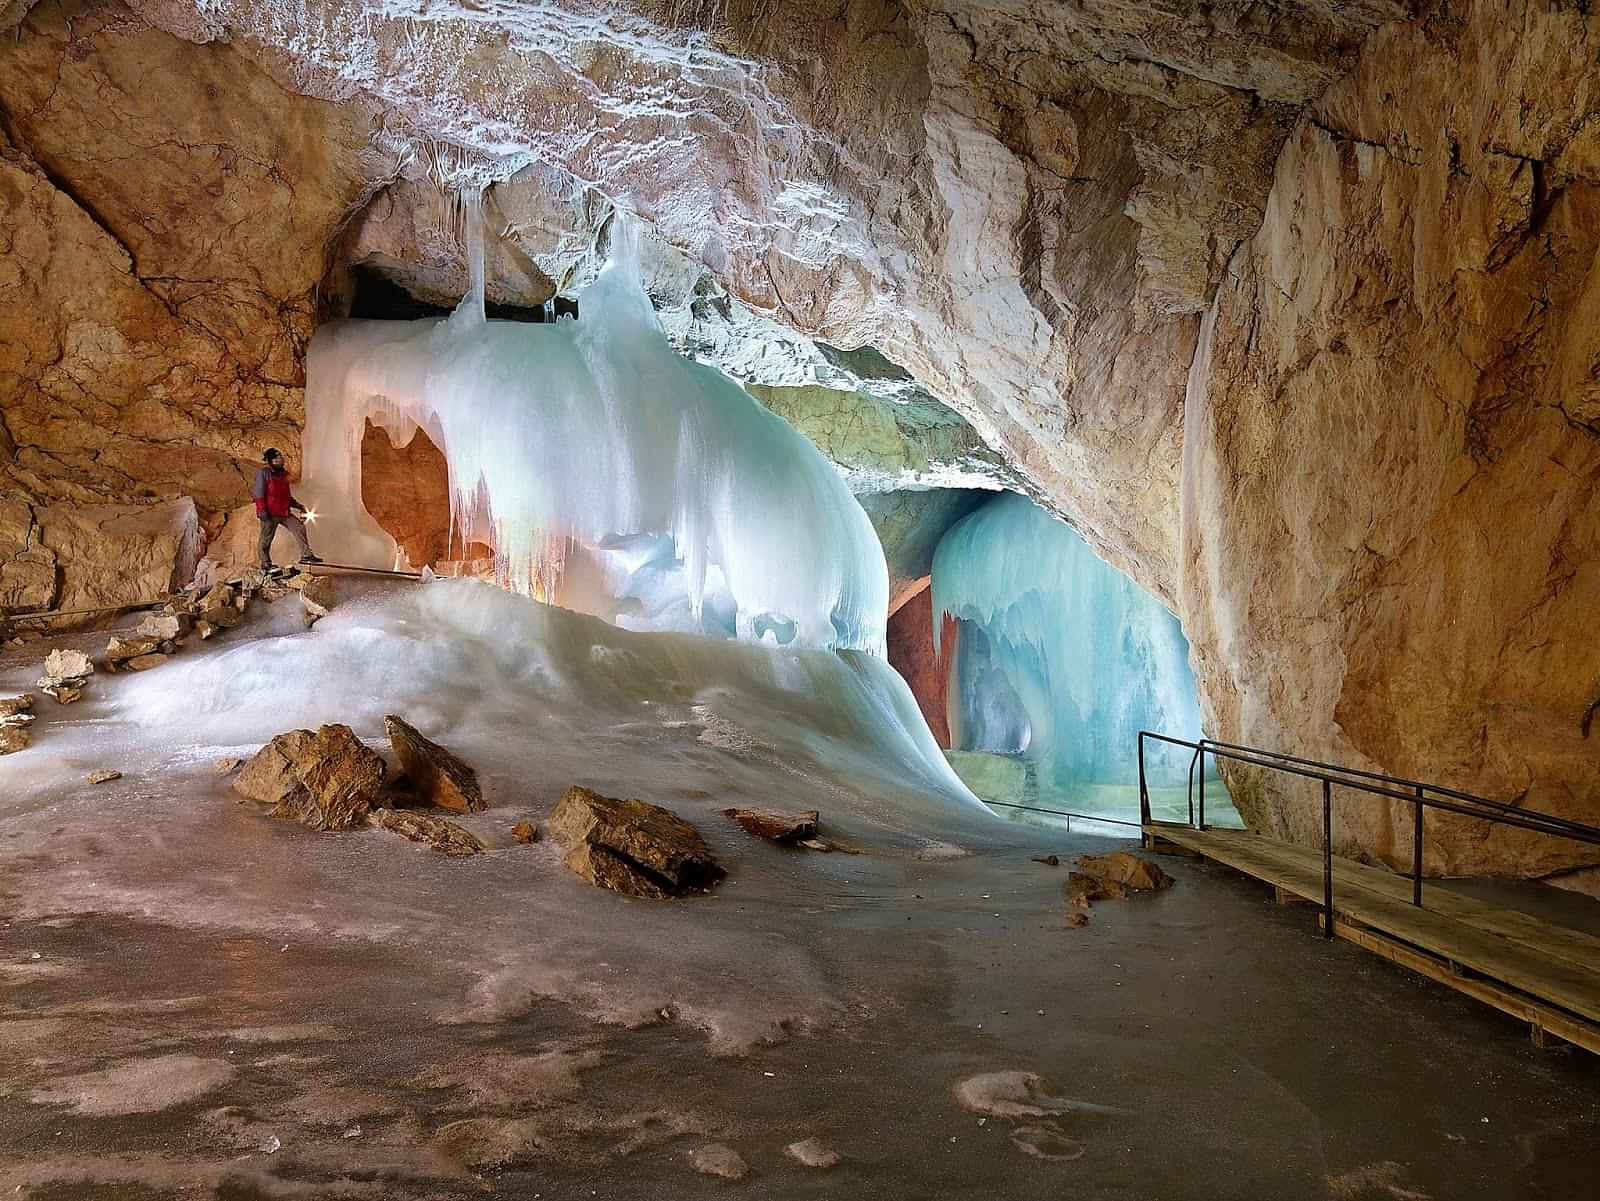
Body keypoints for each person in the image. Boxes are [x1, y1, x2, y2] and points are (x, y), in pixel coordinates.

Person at [253, 448, 323, 572]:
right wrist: (261, 510)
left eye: (281, 457)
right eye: (278, 457)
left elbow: (286, 496)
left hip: (284, 512)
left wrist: (298, 505)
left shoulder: (283, 475)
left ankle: (306, 555)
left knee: (299, 527)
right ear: (272, 460)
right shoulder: (264, 473)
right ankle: (266, 564)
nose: (281, 459)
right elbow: (259, 493)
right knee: (266, 539)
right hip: (269, 512)